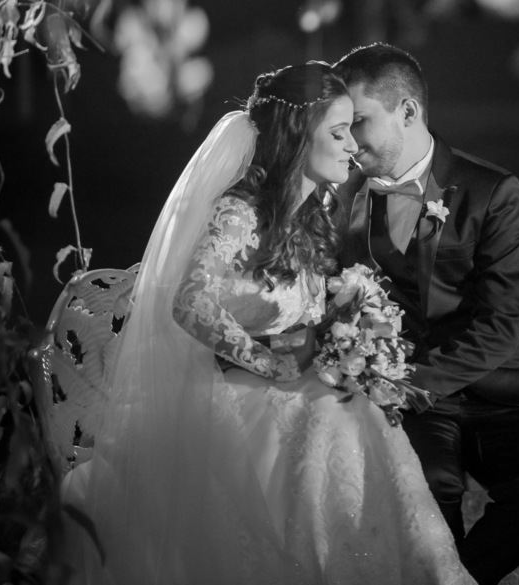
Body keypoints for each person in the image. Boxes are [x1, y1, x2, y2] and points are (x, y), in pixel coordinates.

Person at [60, 62, 475, 585]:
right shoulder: (241, 211)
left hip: (292, 383)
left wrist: (353, 333)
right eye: (339, 132)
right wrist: (270, 363)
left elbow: (304, 315)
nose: (352, 146)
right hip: (230, 392)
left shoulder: (311, 213)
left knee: (356, 412)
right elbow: (190, 301)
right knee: (332, 422)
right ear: (299, 136)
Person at [333, 44, 519, 585]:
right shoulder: (343, 197)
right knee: (426, 492)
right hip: (416, 408)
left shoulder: (493, 192)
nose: (347, 141)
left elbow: (500, 325)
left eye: (359, 122)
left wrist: (406, 382)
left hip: (502, 389)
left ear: (408, 113)